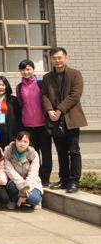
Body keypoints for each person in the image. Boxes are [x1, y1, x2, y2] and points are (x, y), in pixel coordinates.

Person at [41, 47, 86, 193]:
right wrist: (49, 110)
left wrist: (60, 109)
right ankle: (64, 180)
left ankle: (74, 181)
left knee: (74, 150)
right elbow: (44, 95)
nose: (57, 61)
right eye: (54, 58)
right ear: (51, 59)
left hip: (71, 118)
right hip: (54, 119)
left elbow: (75, 95)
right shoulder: (47, 77)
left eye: (60, 58)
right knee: (61, 152)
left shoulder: (75, 74)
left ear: (66, 58)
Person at [16, 60, 51, 186]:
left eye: (28, 69)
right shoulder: (19, 87)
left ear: (33, 69)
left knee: (46, 153)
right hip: (28, 126)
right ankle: (35, 177)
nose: (26, 72)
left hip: (43, 125)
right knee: (32, 154)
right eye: (23, 70)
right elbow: (21, 104)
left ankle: (45, 178)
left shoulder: (41, 84)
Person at [3, 130, 43, 209]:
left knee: (34, 199)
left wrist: (26, 188)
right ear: (15, 140)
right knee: (12, 188)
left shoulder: (34, 154)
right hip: (15, 181)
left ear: (29, 143)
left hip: (32, 182)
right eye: (20, 141)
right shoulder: (8, 152)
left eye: (25, 141)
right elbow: (10, 171)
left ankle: (36, 200)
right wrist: (22, 186)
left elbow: (33, 173)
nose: (22, 144)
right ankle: (13, 200)